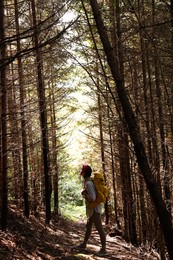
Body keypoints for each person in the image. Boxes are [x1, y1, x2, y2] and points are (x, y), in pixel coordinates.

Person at [75, 164, 107, 256]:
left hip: (94, 209)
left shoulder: (89, 183)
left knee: (99, 229)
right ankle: (84, 244)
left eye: (82, 170)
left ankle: (104, 249)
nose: (81, 171)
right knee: (88, 226)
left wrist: (85, 194)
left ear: (85, 173)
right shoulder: (89, 181)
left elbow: (92, 197)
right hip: (92, 209)